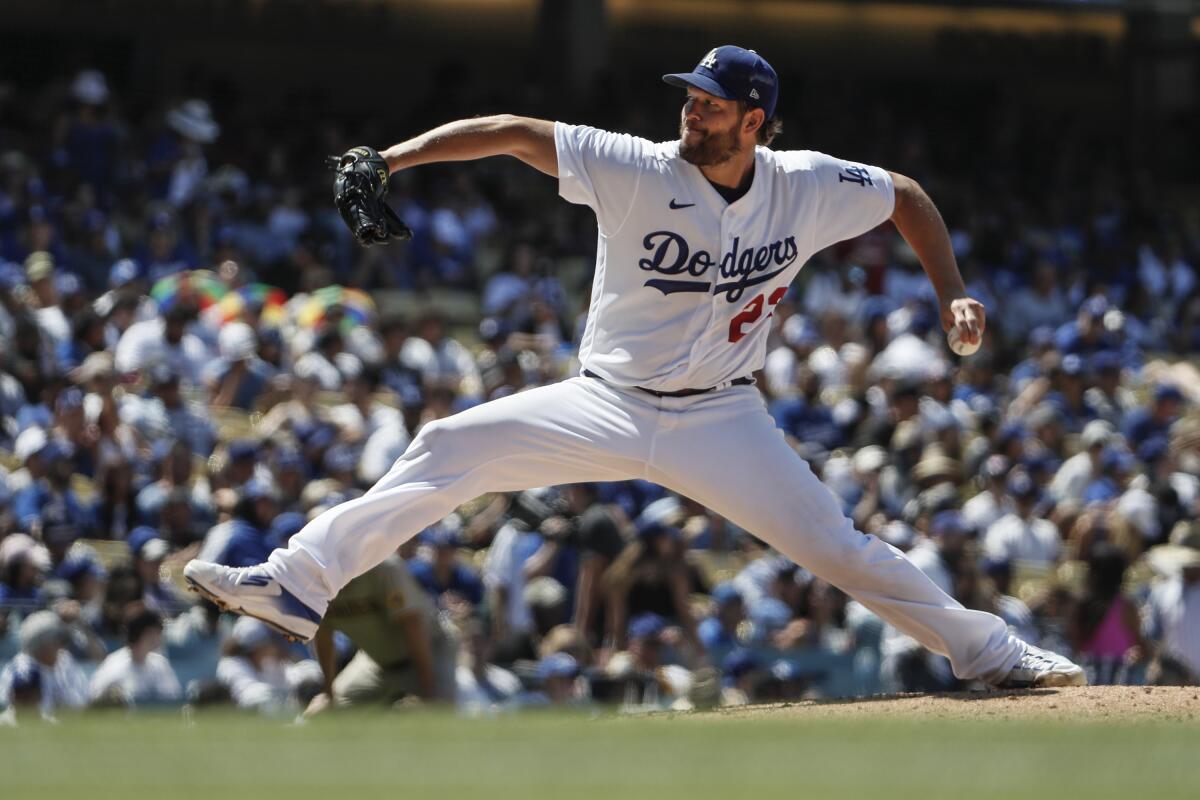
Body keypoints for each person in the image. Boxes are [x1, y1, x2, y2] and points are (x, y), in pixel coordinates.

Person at [185, 45, 1083, 689]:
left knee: (838, 549)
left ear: (754, 119)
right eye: (688, 98)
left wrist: (951, 292)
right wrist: (391, 159)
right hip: (605, 402)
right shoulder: (634, 167)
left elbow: (907, 197)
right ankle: (296, 585)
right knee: (448, 444)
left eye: (710, 103)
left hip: (723, 418)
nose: (690, 112)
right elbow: (507, 131)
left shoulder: (806, 183)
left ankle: (990, 654)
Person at [305, 554, 456, 712]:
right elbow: (323, 640)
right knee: (324, 711)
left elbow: (412, 625)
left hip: (430, 653)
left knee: (436, 713)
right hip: (376, 661)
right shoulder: (316, 582)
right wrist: (329, 694)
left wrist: (428, 690)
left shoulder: (383, 567)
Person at [88, 607, 183, 706]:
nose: (158, 637)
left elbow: (172, 700)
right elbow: (96, 701)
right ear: (144, 633)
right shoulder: (113, 666)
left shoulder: (159, 663)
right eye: (154, 632)